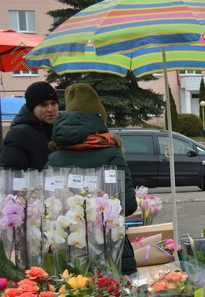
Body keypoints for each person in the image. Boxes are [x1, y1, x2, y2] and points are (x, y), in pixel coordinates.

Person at [46, 83, 137, 275]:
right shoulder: (111, 152)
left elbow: (46, 209)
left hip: (67, 253)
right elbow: (128, 205)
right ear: (99, 118)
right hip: (111, 251)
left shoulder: (54, 157)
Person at [1, 81, 59, 170]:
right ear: (32, 108)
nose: (51, 109)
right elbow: (12, 173)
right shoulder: (18, 134)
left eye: (53, 103)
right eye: (43, 105)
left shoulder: (58, 131)